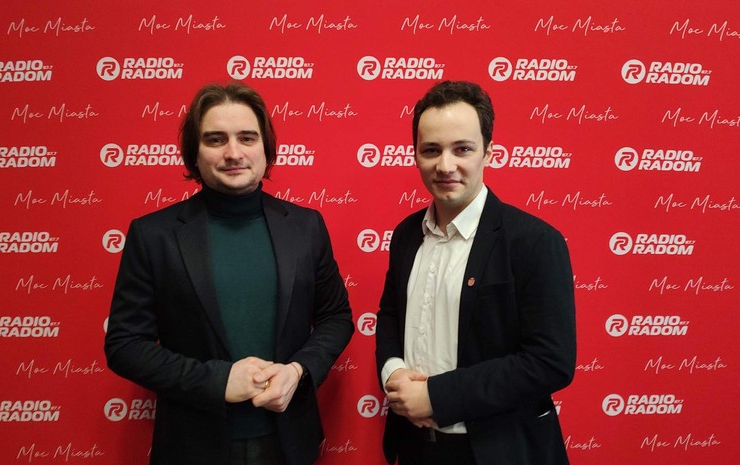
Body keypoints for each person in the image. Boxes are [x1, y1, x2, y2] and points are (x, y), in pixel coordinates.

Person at [105, 81, 354, 465]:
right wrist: (218, 381)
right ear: (194, 152)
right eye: (216, 139)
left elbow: (335, 317)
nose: (233, 153)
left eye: (247, 138)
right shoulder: (153, 235)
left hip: (289, 442)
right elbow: (125, 345)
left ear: (266, 148)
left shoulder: (306, 227)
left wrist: (298, 371)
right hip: (193, 446)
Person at [375, 80, 576, 465]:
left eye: (462, 149)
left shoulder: (535, 241)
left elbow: (550, 361)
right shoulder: (405, 235)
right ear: (415, 155)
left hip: (497, 451)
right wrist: (393, 372)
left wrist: (437, 397)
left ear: (488, 153)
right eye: (431, 150)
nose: (445, 165)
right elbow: (390, 315)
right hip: (415, 446)